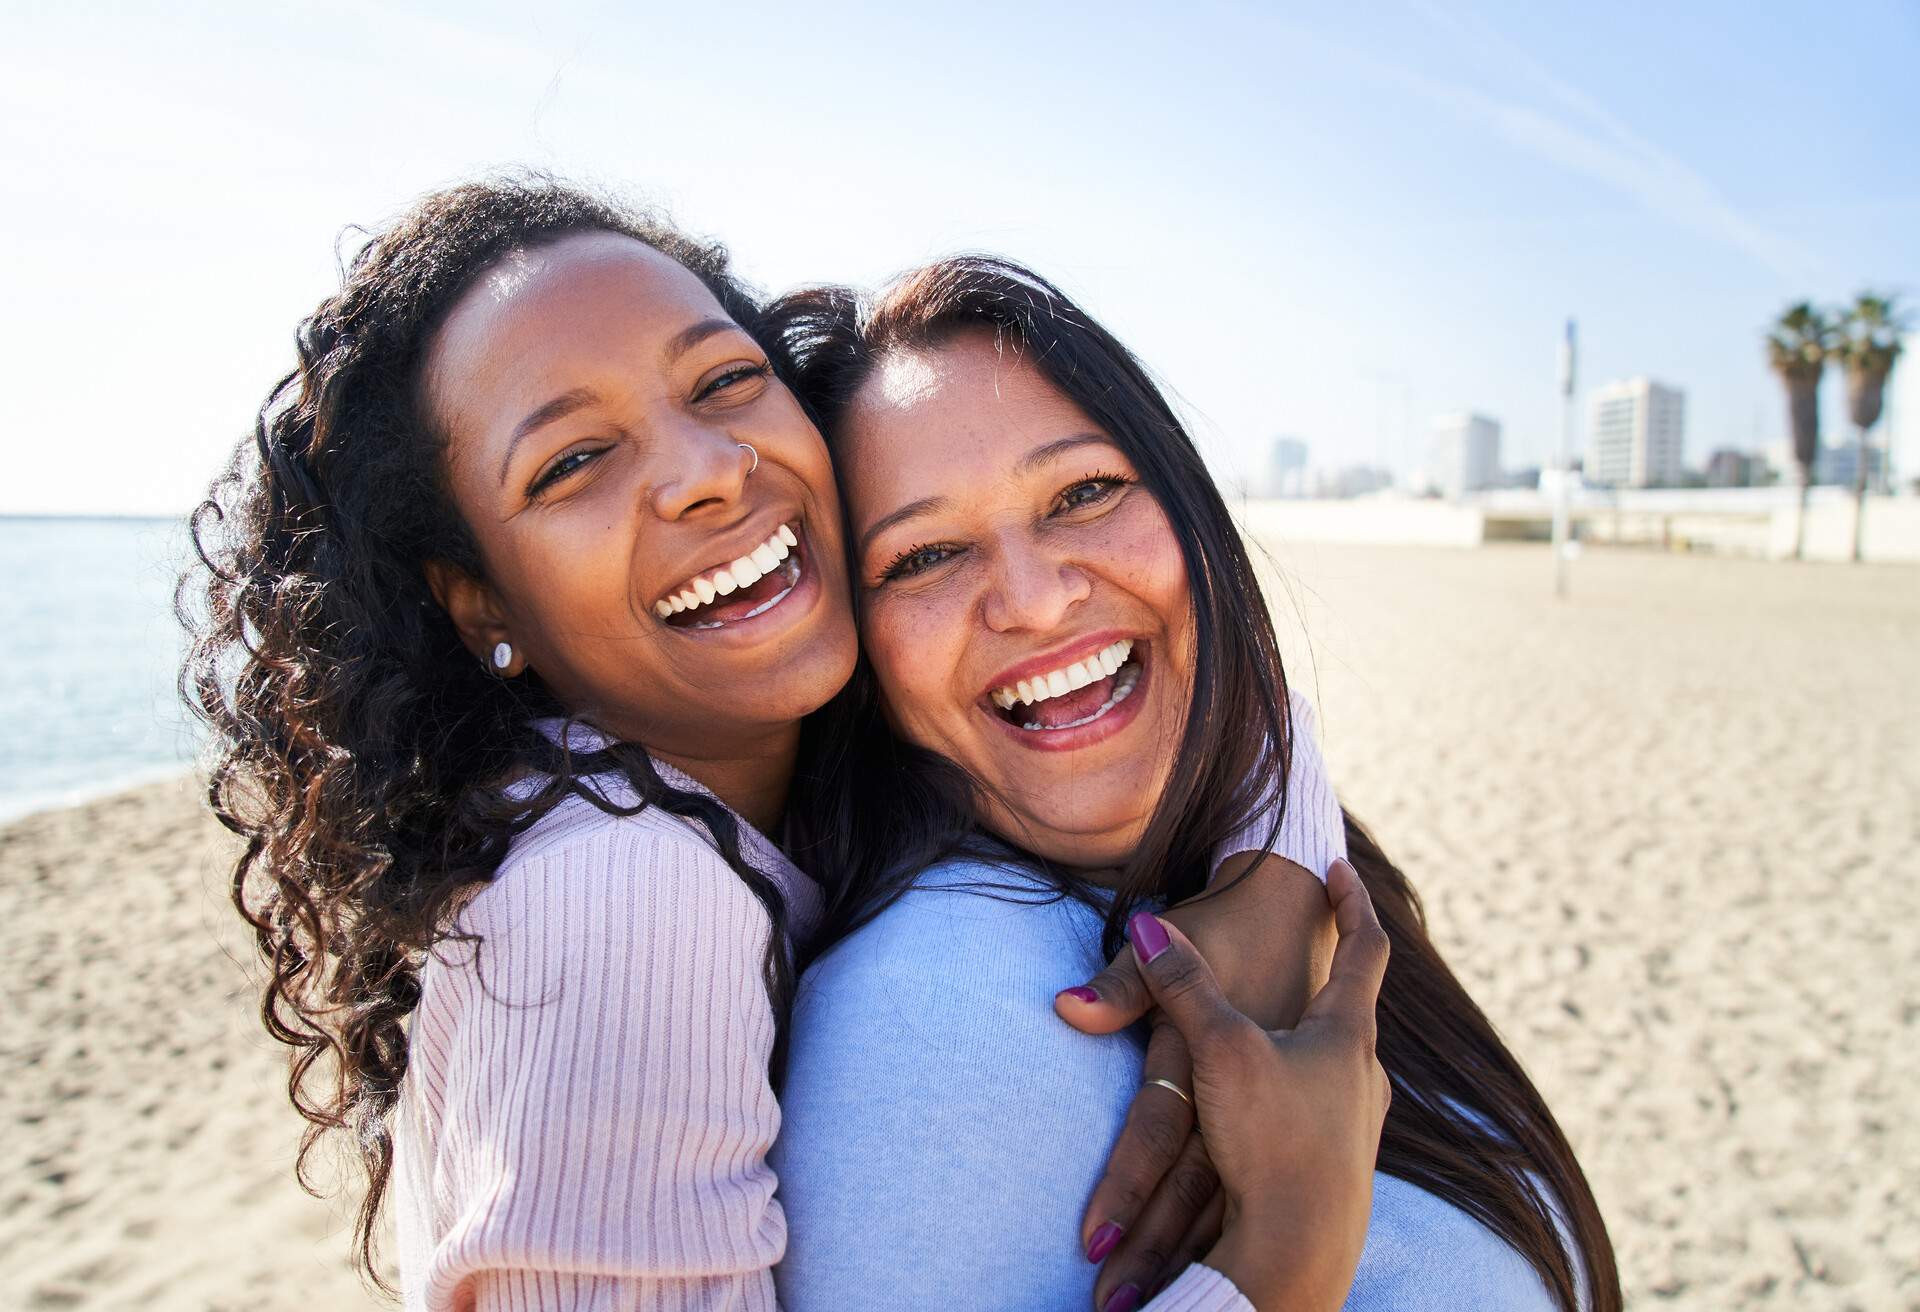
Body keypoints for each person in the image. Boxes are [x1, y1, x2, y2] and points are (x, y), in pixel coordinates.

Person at [183, 176, 1386, 1311]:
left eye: (721, 385)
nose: (709, 472)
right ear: (481, 606)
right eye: (574, 462)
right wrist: (1281, 1253)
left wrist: (1274, 877)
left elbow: (1182, 665)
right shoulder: (621, 893)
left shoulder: (762, 783)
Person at [765, 257, 1623, 1311]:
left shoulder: (1293, 870)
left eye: (1084, 492)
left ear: (1191, 510)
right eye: (926, 555)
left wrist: (1281, 856)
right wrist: (1281, 1261)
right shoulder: (933, 1016)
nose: (1033, 601)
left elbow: (1255, 710)